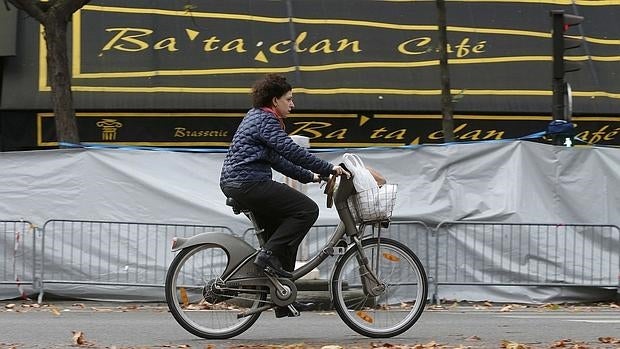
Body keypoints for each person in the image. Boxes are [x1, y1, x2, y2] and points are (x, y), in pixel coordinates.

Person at [219, 74, 349, 317]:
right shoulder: (265, 120)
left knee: (282, 234)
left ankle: (282, 298)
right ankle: (266, 257)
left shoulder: (257, 118)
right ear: (275, 100)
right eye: (289, 99)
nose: (293, 104)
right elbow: (289, 150)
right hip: (249, 182)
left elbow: (277, 160)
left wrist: (311, 177)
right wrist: (328, 168)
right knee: (307, 210)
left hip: (239, 182)